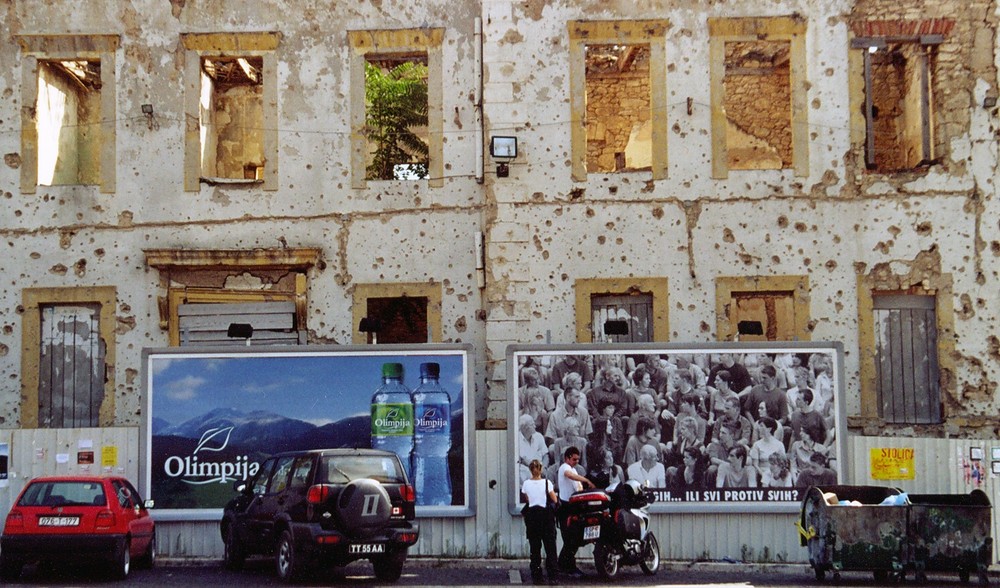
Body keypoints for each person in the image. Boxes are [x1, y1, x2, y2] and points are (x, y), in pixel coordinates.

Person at [556, 447, 594, 576]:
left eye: (578, 459)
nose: (576, 461)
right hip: (566, 507)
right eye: (574, 459)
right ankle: (568, 566)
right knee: (570, 539)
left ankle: (562, 564)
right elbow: (570, 476)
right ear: (567, 458)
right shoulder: (564, 468)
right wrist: (586, 480)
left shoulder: (574, 469)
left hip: (574, 507)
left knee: (575, 539)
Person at [521, 459, 558, 585]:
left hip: (532, 517)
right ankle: (553, 576)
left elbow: (527, 499)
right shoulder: (547, 483)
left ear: (530, 470)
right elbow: (554, 499)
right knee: (550, 548)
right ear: (541, 470)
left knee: (535, 548)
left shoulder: (526, 484)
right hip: (546, 517)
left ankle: (537, 576)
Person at [517, 414, 549, 484]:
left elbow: (545, 455)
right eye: (532, 425)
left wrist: (544, 467)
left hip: (540, 468)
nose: (535, 426)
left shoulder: (539, 436)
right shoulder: (516, 440)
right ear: (525, 427)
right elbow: (520, 460)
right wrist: (533, 468)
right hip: (525, 469)